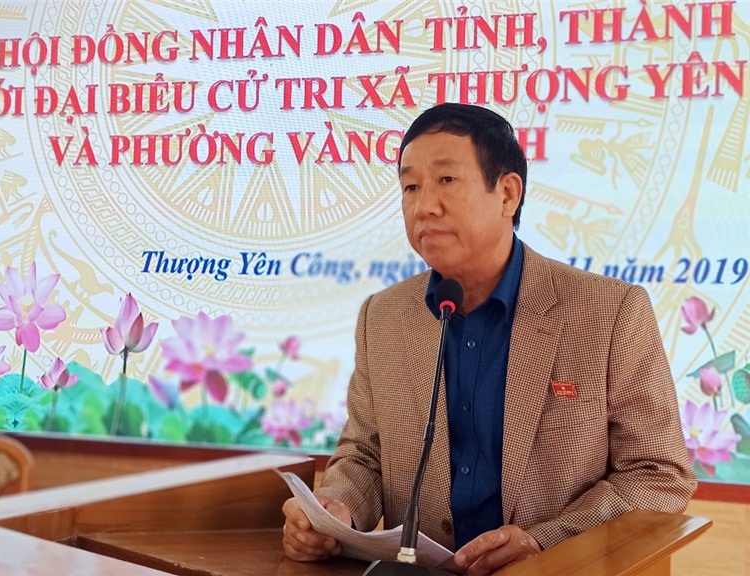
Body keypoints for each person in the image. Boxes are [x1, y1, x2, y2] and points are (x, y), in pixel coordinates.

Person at [281, 103, 696, 575]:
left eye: (446, 180)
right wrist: (337, 511)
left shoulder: (609, 311)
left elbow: (658, 475)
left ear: (507, 194)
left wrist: (544, 542)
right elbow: (365, 453)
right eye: (410, 187)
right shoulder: (384, 316)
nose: (424, 206)